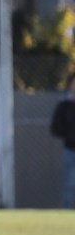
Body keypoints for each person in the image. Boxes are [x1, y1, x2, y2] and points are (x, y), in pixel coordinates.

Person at [50, 74, 75, 208]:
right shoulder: (64, 105)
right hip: (70, 149)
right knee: (69, 184)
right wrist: (70, 135)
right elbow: (55, 127)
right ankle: (68, 212)